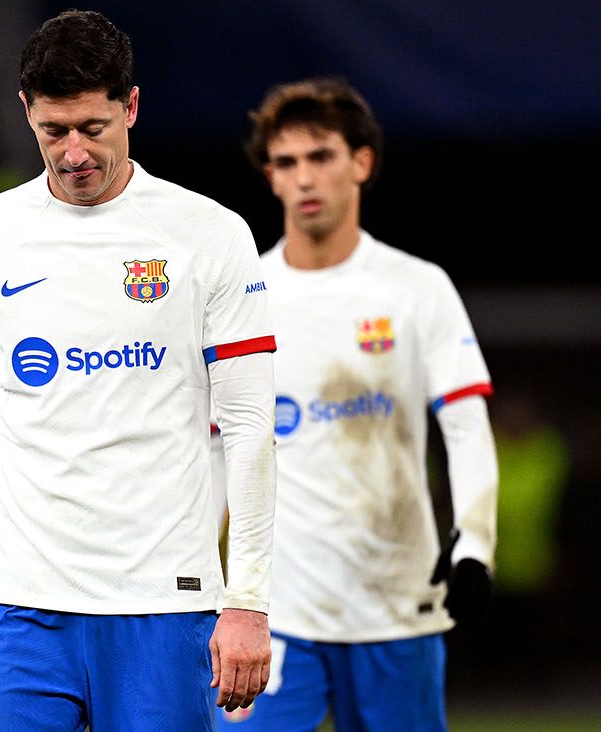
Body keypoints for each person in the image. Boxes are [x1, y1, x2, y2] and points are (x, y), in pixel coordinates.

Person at [0, 10, 277, 730]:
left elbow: (250, 424)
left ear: (131, 106)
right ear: (26, 112)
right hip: (15, 603)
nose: (73, 153)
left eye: (92, 128)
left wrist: (248, 601)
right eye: (53, 131)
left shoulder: (210, 236)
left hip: (163, 602)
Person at [216, 77, 498, 730]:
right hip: (276, 613)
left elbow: (465, 425)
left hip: (396, 603)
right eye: (287, 162)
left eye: (321, 156)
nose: (305, 177)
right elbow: (212, 448)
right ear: (270, 177)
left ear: (361, 162)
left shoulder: (418, 288)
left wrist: (475, 546)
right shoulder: (243, 298)